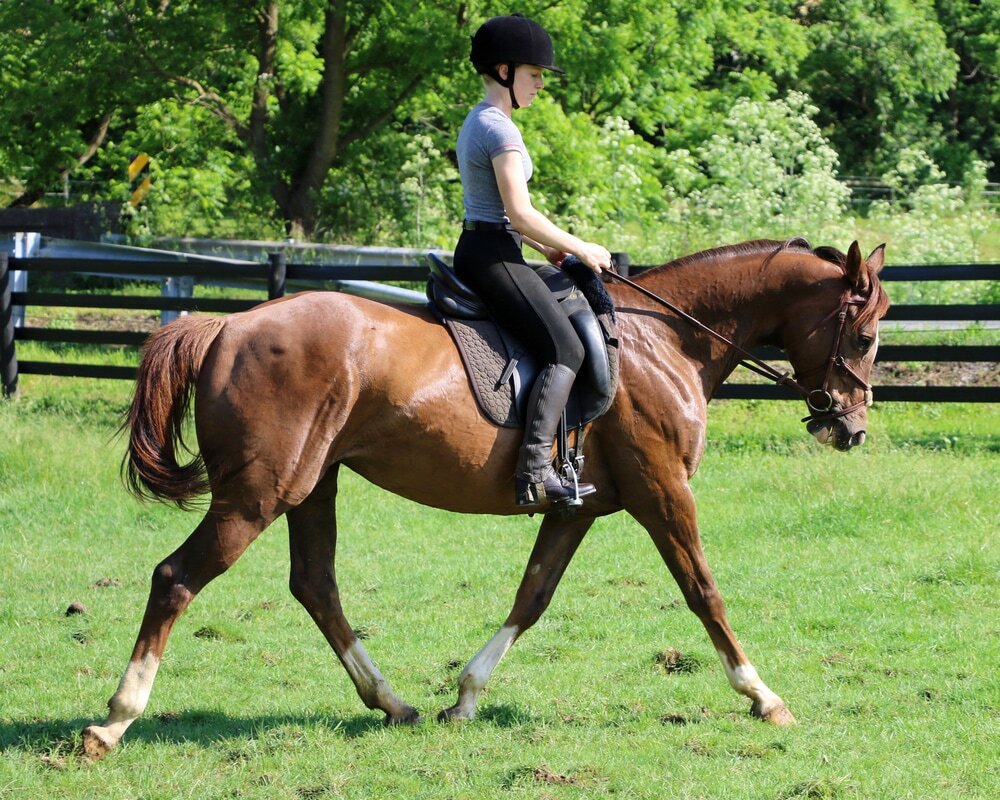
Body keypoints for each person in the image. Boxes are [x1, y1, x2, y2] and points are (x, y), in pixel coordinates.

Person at [453, 13, 612, 506]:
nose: (541, 83)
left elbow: (506, 216)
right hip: (493, 255)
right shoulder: (498, 128)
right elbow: (519, 213)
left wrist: (551, 248)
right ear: (504, 71)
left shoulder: (483, 120)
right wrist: (582, 245)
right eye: (534, 73)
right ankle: (536, 472)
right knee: (565, 349)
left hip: (496, 247)